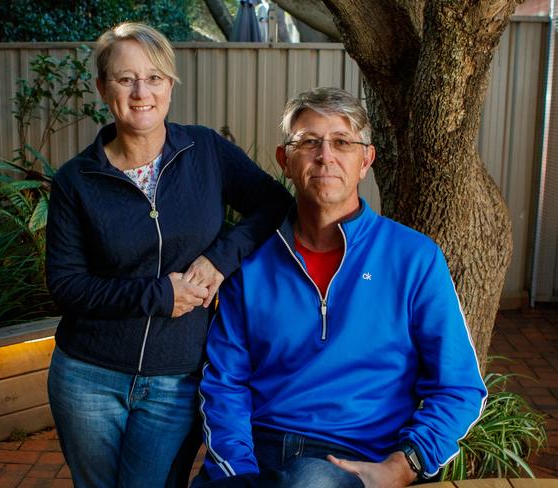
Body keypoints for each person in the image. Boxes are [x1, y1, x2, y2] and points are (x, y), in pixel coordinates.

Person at [197, 87, 488, 488]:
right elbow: (224, 382)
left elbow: (459, 386)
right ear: (285, 160)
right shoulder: (251, 262)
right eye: (309, 142)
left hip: (363, 457)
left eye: (342, 143)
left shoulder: (413, 258)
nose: (325, 156)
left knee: (311, 480)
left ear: (366, 159)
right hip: (259, 455)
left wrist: (402, 467)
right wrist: (240, 473)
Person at [45, 22, 292, 488]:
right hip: (87, 377)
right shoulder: (75, 180)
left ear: (171, 85)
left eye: (155, 78)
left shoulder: (206, 152)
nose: (142, 92)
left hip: (176, 379)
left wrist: (221, 257)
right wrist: (159, 295)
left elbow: (275, 205)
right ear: (102, 88)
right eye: (125, 79)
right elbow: (66, 286)